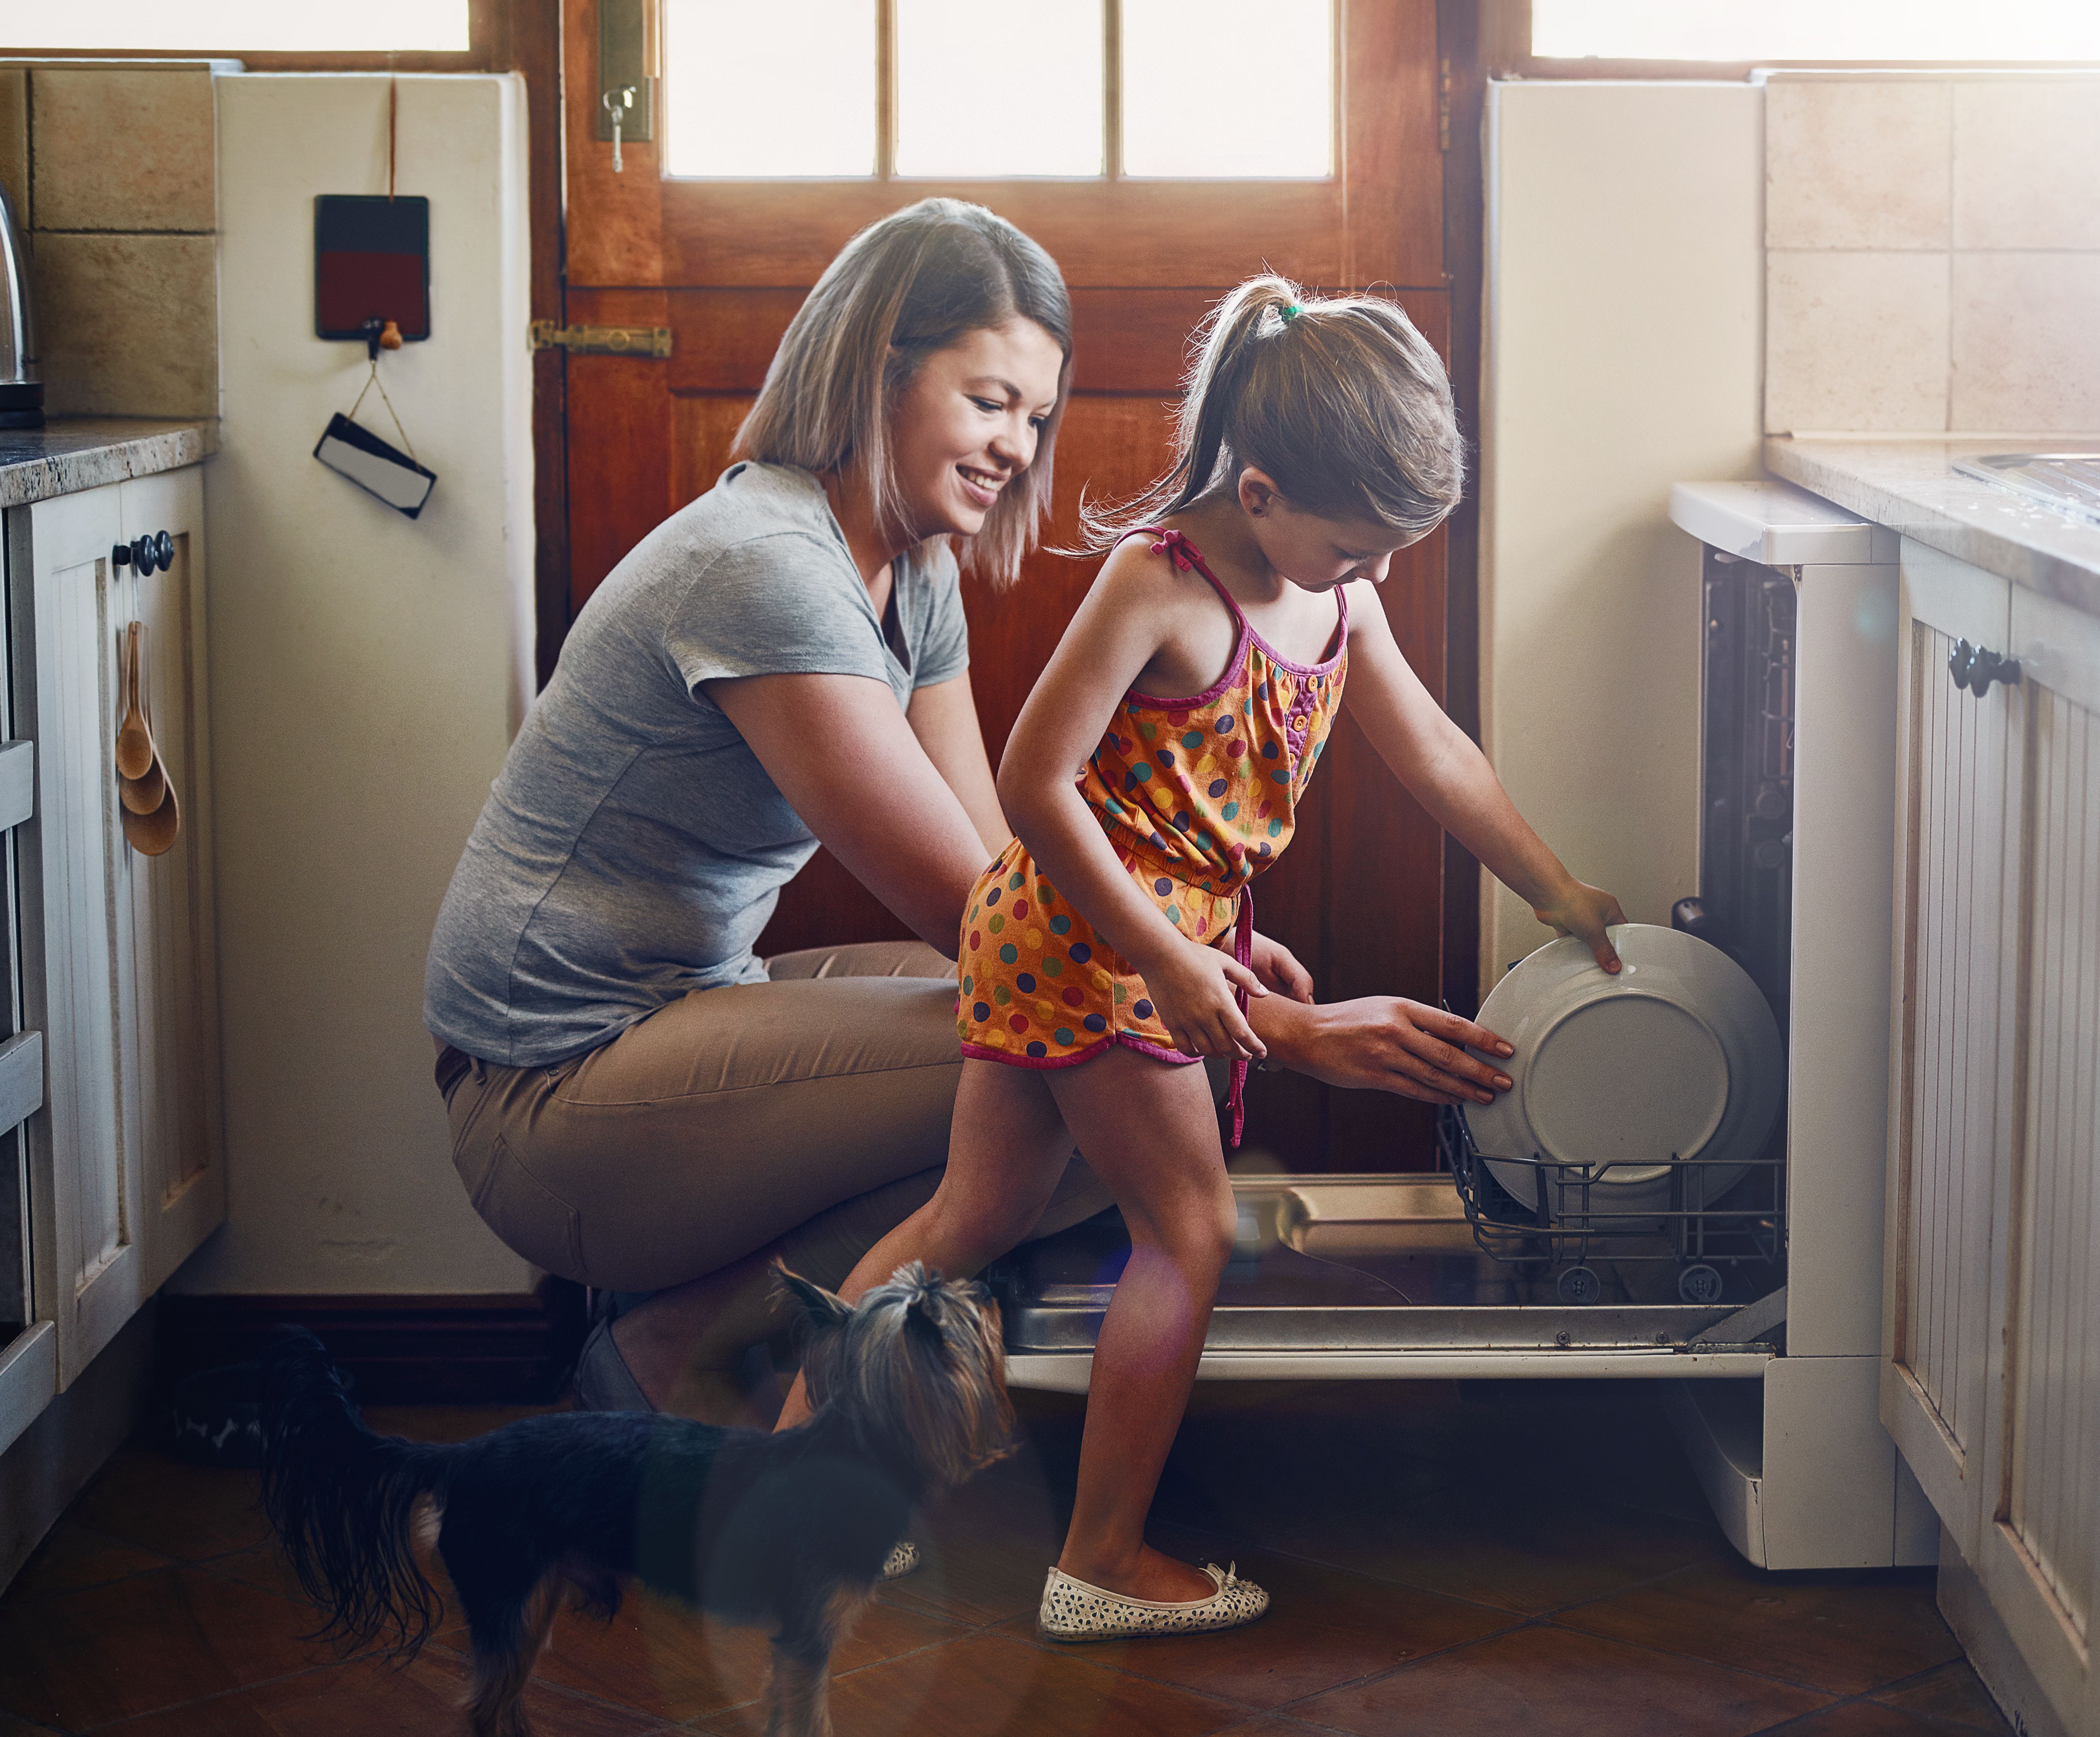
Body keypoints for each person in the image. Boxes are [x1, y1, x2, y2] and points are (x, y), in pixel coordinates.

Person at [425, 201, 1526, 1426]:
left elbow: (1008, 877)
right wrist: (1262, 1018)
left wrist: (1193, 945)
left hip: (688, 1009)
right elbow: (975, 916)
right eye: (989, 399)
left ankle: (697, 1356)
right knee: (1068, 1054)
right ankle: (667, 1371)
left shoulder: (913, 567)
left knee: (1060, 1032)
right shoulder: (764, 569)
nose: (1016, 444)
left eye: (1037, 416)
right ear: (879, 369)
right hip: (547, 1099)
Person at [786, 273, 1625, 1640]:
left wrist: (1551, 888)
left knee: (971, 1222)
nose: (1372, 578)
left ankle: (799, 1491)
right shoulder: (1159, 582)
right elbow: (1037, 781)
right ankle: (1101, 1560)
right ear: (1258, 493)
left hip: (1099, 934)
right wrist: (1171, 962)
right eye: (1353, 547)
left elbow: (1430, 751)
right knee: (1181, 1233)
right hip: (1089, 933)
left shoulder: (1335, 599)